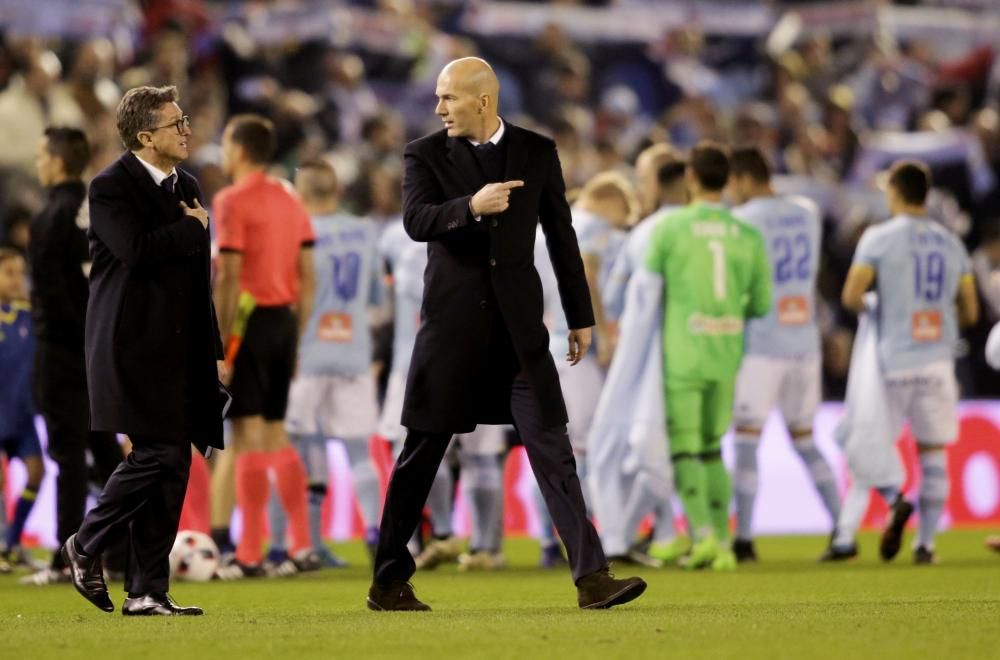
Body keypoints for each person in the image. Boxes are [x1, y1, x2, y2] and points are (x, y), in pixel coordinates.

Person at [367, 57, 645, 611]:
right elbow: (416, 220)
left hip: (520, 332)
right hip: (452, 332)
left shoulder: (537, 151)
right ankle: (388, 580)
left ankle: (592, 578)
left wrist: (580, 316)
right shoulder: (423, 153)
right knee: (421, 454)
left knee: (553, 449)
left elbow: (562, 236)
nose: (440, 108)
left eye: (449, 98)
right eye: (440, 99)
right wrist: (470, 206)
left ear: (483, 101)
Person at [62, 85, 224, 616]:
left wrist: (213, 351)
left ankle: (147, 590)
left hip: (180, 349)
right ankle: (85, 543)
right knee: (159, 454)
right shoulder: (110, 187)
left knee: (174, 464)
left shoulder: (188, 184)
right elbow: (134, 252)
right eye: (176, 122)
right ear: (144, 136)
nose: (186, 129)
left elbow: (197, 281)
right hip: (129, 346)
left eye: (185, 119)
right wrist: (188, 228)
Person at [835, 160, 978, 564]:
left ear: (895, 191)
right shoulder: (950, 243)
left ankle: (847, 535)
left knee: (868, 442)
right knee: (934, 458)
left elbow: (850, 295)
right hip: (937, 361)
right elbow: (969, 312)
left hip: (892, 361)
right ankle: (926, 545)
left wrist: (878, 308)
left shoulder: (878, 238)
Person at [644, 142, 772, 571]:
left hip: (683, 350)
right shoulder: (748, 235)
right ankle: (723, 542)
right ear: (728, 180)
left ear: (691, 178)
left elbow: (646, 293)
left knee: (685, 449)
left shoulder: (669, 229)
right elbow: (761, 305)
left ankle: (701, 538)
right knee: (714, 448)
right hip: (727, 351)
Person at [212, 114, 317, 578]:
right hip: (284, 322)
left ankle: (249, 551)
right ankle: (299, 545)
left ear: (238, 149)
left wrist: (218, 343)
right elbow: (308, 276)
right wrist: (297, 331)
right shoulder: (291, 199)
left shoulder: (231, 201)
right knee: (276, 434)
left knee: (246, 435)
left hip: (247, 323)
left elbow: (229, 277)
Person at [24, 127, 127, 585]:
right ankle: (123, 553)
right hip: (98, 348)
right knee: (105, 454)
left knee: (69, 457)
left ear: (59, 161)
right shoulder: (96, 210)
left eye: (44, 154)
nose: (39, 162)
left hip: (63, 354)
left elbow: (52, 296)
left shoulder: (50, 217)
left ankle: (68, 557)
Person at [727, 147, 841, 562]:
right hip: (804, 340)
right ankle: (843, 532)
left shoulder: (741, 220)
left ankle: (743, 538)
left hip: (762, 342)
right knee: (806, 439)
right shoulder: (807, 211)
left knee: (746, 440)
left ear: (741, 178)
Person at [270, 159, 384, 568]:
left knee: (288, 449)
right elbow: (375, 298)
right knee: (359, 452)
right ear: (336, 192)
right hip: (353, 352)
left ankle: (283, 546)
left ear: (300, 195)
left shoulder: (295, 231)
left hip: (304, 353)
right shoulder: (366, 230)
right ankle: (374, 532)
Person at [590, 154, 688, 567]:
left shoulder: (647, 233)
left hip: (643, 355)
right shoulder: (722, 229)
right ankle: (678, 534)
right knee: (685, 448)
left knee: (612, 448)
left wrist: (607, 336)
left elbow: (614, 296)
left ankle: (619, 538)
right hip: (703, 352)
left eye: (644, 179)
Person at [0, 249, 45, 566]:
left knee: (36, 473)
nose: (18, 280)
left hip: (23, 412)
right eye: (9, 273)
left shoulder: (30, 313)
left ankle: (12, 541)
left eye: (20, 273)